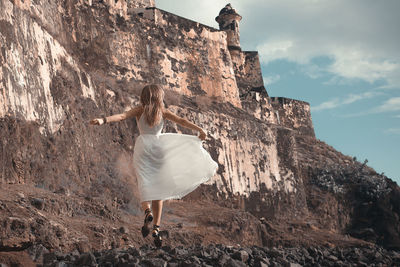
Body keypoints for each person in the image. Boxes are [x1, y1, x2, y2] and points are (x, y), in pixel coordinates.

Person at [90, 84, 218, 247]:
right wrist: (200, 129)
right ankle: (156, 228)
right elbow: (182, 121)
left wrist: (103, 120)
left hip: (143, 147)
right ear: (160, 97)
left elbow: (122, 116)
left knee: (144, 183)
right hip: (159, 149)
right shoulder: (162, 112)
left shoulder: (139, 110)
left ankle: (147, 211)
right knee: (159, 189)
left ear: (143, 97)